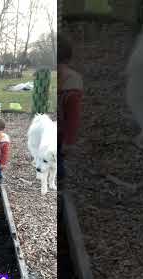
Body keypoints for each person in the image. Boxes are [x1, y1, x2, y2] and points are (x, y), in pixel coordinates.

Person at [57, 34, 83, 184]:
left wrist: (69, 141)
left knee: (59, 161)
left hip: (60, 134)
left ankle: (60, 186)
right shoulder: (65, 79)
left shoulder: (71, 83)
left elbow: (73, 117)